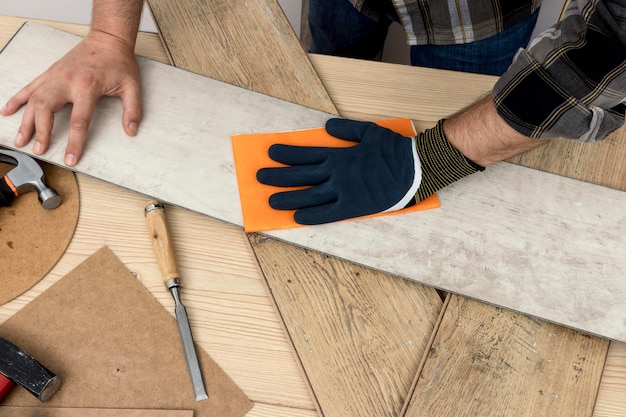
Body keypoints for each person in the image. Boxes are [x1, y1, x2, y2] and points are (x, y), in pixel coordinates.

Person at [1, 0, 625, 225]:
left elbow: (608, 47)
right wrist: (111, 35)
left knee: (462, 151)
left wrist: (433, 158)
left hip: (473, 9)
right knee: (329, 67)